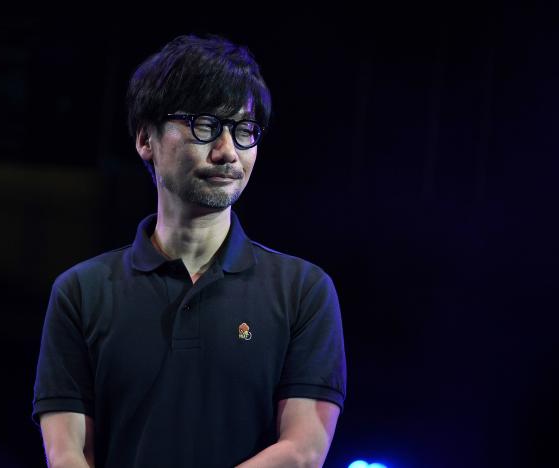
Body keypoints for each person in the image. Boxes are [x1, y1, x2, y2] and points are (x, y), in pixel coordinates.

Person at [32, 34, 346, 468]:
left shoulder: (303, 292)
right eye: (205, 126)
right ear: (146, 139)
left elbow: (304, 450)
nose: (228, 151)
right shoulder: (80, 292)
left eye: (244, 130)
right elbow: (66, 453)